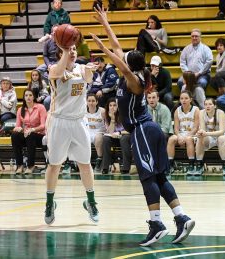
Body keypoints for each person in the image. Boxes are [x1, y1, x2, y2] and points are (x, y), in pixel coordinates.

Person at [90, 6, 195, 245]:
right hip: (150, 130)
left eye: (123, 57)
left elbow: (119, 58)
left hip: (142, 132)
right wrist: (106, 23)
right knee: (157, 177)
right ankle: (181, 217)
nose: (120, 55)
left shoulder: (134, 80)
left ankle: (157, 223)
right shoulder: (134, 74)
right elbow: (118, 48)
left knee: (147, 177)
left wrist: (102, 48)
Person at [43, 43, 99, 225]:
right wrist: (64, 52)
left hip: (79, 121)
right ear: (60, 53)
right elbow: (56, 72)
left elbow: (89, 79)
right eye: (69, 49)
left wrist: (90, 70)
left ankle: (91, 202)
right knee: (55, 165)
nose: (73, 52)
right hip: (59, 121)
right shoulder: (53, 69)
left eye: (74, 49)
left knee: (85, 163)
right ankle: (50, 203)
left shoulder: (81, 68)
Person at [195, 98, 225, 176]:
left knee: (221, 138)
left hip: (224, 135)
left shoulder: (220, 113)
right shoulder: (201, 113)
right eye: (205, 104)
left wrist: (206, 133)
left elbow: (221, 131)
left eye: (210, 104)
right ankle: (199, 164)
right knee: (200, 138)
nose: (207, 106)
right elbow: (202, 129)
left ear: (215, 106)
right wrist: (200, 133)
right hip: (210, 136)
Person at [12, 89, 47, 174]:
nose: (28, 97)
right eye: (26, 95)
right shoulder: (20, 110)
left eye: (30, 95)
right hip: (27, 135)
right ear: (24, 97)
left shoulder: (40, 107)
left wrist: (33, 129)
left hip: (40, 136)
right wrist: (18, 129)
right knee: (15, 135)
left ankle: (31, 165)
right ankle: (19, 165)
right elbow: (17, 125)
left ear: (34, 97)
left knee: (30, 135)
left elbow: (44, 125)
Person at [178, 29, 213, 109]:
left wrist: (199, 73)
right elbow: (182, 61)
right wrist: (188, 73)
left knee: (202, 83)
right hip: (189, 74)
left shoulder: (205, 49)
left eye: (196, 36)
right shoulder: (186, 49)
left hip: (203, 74)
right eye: (192, 36)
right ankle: (187, 101)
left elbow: (209, 62)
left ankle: (199, 103)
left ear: (200, 37)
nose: (194, 38)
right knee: (180, 82)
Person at [167, 91, 200, 175]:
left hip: (193, 134)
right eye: (181, 98)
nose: (183, 100)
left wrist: (186, 137)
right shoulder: (177, 111)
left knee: (189, 140)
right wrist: (179, 136)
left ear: (190, 99)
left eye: (186, 98)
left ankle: (191, 165)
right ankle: (170, 165)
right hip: (181, 134)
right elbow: (176, 128)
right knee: (171, 139)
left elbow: (196, 128)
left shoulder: (196, 110)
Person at [101, 98, 132, 174]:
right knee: (105, 139)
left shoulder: (125, 114)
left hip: (125, 135)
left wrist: (119, 133)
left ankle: (126, 167)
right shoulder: (107, 115)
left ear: (118, 106)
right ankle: (105, 167)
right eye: (110, 105)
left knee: (124, 139)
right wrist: (112, 119)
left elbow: (130, 130)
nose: (112, 107)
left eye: (114, 105)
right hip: (114, 137)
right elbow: (110, 132)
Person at [84, 94, 105, 172]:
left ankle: (99, 160)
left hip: (99, 131)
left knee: (98, 138)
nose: (91, 103)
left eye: (93, 101)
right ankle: (85, 161)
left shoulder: (102, 111)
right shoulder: (83, 111)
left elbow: (108, 123)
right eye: (89, 101)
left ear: (96, 102)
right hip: (87, 132)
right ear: (86, 102)